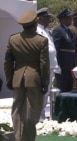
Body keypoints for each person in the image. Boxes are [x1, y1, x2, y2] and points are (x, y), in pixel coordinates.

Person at [4, 10, 50, 141]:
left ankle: (18, 137)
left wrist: (9, 78)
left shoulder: (13, 39)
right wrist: (44, 82)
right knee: (32, 112)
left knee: (17, 111)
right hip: (34, 80)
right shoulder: (41, 41)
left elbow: (8, 61)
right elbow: (44, 64)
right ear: (35, 23)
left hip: (17, 79)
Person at [36, 7, 60, 121]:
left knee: (47, 92)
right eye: (46, 18)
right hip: (43, 66)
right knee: (41, 91)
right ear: (40, 19)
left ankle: (41, 115)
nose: (48, 20)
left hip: (50, 65)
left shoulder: (47, 31)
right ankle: (38, 117)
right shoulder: (37, 30)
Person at [52, 8, 76, 92]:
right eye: (70, 18)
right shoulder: (58, 30)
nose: (71, 20)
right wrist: (57, 64)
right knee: (62, 87)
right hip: (63, 65)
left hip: (70, 64)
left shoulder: (67, 30)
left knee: (69, 87)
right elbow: (56, 48)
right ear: (63, 19)